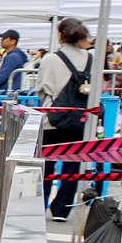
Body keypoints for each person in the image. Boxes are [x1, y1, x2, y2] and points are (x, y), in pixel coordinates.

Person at [38, 16, 97, 223]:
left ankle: (40, 205)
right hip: (81, 118)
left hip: (52, 119)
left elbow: (43, 90)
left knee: (46, 162)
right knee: (73, 164)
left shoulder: (50, 59)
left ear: (61, 35)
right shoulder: (91, 58)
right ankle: (62, 209)